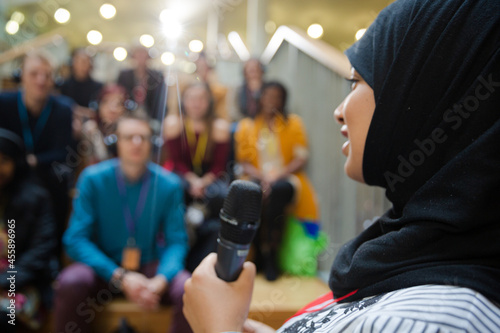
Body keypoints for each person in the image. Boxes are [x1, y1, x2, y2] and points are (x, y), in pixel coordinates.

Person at [183, 0, 500, 331]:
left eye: (356, 81)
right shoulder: (404, 257)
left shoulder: (434, 322)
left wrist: (216, 327)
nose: (340, 110)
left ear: (424, 99)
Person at [55, 113, 192, 333]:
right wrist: (119, 276)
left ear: (152, 143)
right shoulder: (92, 178)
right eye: (129, 137)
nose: (136, 143)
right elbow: (75, 239)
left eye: (143, 137)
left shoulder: (169, 184)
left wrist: (161, 280)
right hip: (104, 268)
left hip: (149, 268)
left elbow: (177, 241)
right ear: (116, 141)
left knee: (187, 287)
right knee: (71, 281)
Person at [235, 81, 319, 281]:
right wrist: (263, 177)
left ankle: (272, 255)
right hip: (257, 176)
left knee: (278, 193)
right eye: (268, 95)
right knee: (253, 193)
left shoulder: (293, 123)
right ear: (260, 98)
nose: (272, 100)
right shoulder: (246, 126)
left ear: (283, 100)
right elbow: (243, 161)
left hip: (285, 177)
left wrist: (276, 176)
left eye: (277, 96)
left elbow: (301, 157)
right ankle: (257, 254)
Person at [0, 51, 74, 258]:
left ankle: (47, 263)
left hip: (46, 180)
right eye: (34, 74)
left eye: (47, 75)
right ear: (21, 75)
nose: (41, 81)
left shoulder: (63, 108)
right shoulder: (4, 102)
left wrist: (31, 161)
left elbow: (64, 152)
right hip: (8, 178)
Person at [164, 82, 230, 272]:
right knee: (176, 189)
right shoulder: (174, 123)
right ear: (183, 101)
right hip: (183, 174)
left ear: (209, 102)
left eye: (201, 99)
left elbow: (219, 166)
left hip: (210, 178)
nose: (196, 103)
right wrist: (193, 180)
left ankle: (210, 257)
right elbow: (176, 161)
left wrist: (204, 181)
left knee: (221, 196)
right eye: (191, 99)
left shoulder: (218, 126)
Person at [0, 129, 57, 332]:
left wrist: (4, 280)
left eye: (4, 160)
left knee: (5, 316)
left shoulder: (36, 199)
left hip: (22, 284)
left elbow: (40, 252)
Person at [81, 84, 128, 164]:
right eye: (106, 102)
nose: (112, 109)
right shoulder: (90, 129)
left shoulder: (129, 130)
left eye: (118, 104)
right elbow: (95, 162)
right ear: (99, 106)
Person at [117, 46, 166, 120]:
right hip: (128, 115)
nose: (141, 56)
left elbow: (160, 99)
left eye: (143, 54)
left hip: (150, 115)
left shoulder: (156, 76)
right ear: (133, 56)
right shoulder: (125, 75)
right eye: (138, 54)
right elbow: (120, 94)